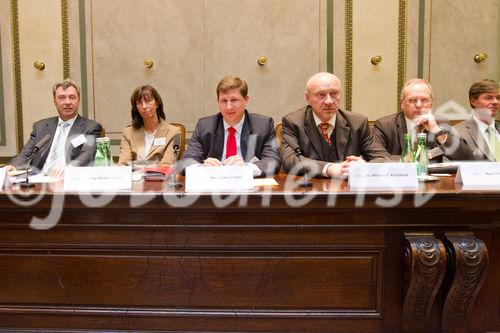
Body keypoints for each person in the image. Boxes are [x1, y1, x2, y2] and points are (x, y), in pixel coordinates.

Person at [280, 72, 390, 178]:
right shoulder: (293, 122)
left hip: (348, 191)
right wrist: (329, 168)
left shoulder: (358, 122)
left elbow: (382, 158)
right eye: (321, 95)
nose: (329, 101)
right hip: (311, 190)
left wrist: (365, 167)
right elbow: (290, 161)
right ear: (308, 98)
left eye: (334, 94)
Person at [181, 76, 280, 177]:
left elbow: (272, 161)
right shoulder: (205, 126)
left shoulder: (263, 126)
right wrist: (202, 168)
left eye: (234, 100)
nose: (229, 107)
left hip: (250, 187)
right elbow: (187, 162)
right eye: (224, 101)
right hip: (214, 187)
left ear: (246, 100)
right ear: (218, 102)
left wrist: (246, 168)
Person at [6, 79, 102, 178]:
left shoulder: (90, 127)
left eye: (72, 97)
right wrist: (13, 166)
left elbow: (87, 154)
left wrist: (70, 167)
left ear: (78, 100)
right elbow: (26, 154)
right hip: (39, 179)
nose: (67, 102)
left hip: (68, 179)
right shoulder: (40, 127)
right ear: (54, 101)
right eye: (61, 98)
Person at [372, 78, 449, 161]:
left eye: (424, 100)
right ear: (402, 104)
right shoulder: (385, 126)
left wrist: (436, 130)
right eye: (412, 100)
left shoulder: (441, 124)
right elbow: (378, 157)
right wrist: (418, 159)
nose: (419, 105)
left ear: (430, 104)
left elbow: (454, 156)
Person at [118, 85, 180, 168]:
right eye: (139, 103)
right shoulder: (128, 133)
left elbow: (166, 165)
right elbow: (123, 164)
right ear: (136, 107)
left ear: (157, 103)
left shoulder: (173, 132)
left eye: (147, 101)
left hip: (160, 179)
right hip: (134, 179)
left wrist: (136, 166)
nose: (144, 106)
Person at [441, 79, 500, 161]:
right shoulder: (457, 133)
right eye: (488, 98)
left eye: (498, 98)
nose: (495, 102)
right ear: (473, 102)